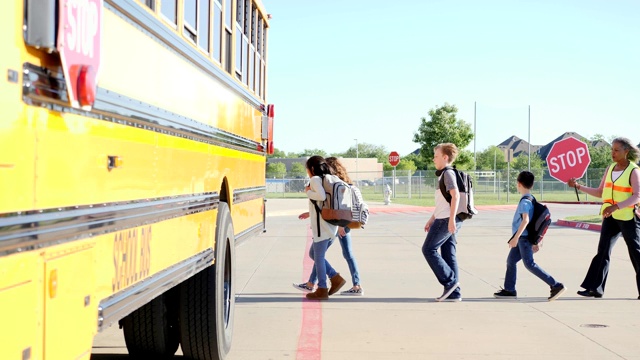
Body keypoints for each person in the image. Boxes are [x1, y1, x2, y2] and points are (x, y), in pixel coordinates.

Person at [568, 137, 640, 299]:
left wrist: (616, 206)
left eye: (616, 150)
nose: (612, 153)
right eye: (611, 150)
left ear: (626, 152)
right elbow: (600, 192)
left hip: (628, 217)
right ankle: (595, 288)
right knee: (603, 251)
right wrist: (578, 186)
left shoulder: (633, 170)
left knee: (636, 252)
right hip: (611, 217)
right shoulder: (610, 169)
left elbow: (637, 196)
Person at [293, 157, 364, 295]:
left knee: (324, 255)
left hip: (337, 223)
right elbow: (325, 204)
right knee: (317, 254)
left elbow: (322, 198)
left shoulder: (323, 180)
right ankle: (316, 283)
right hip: (336, 222)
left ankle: (332, 283)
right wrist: (310, 213)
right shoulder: (336, 181)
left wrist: (307, 191)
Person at [493, 171, 566, 301]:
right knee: (511, 261)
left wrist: (515, 238)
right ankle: (509, 289)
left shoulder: (524, 202)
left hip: (523, 239)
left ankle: (556, 285)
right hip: (522, 238)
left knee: (530, 264)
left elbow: (526, 221)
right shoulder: (531, 198)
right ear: (532, 185)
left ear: (519, 184)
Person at [297, 155, 346, 300]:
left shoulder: (315, 179)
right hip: (332, 225)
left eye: (307, 169)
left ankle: (323, 288)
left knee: (318, 257)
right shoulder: (332, 178)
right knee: (314, 254)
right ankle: (335, 278)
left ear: (312, 169)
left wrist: (307, 191)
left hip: (322, 227)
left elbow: (321, 196)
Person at [422, 143, 463, 302]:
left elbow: (456, 196)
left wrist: (451, 220)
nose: (434, 159)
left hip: (446, 219)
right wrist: (431, 218)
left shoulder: (448, 173)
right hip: (445, 218)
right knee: (448, 253)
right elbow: (444, 202)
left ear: (445, 158)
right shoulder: (445, 174)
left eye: (436, 156)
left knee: (428, 249)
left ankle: (450, 282)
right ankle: (454, 293)